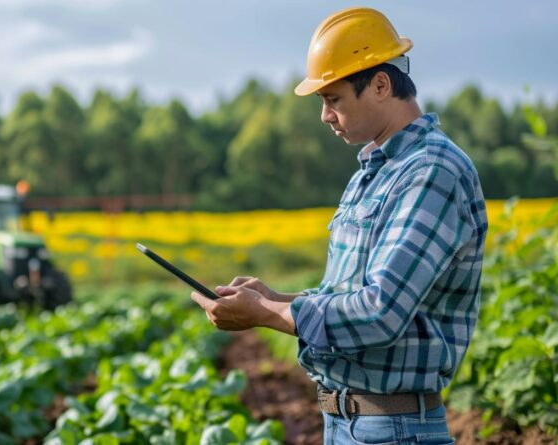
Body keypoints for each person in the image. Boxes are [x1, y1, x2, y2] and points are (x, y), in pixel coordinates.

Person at [190, 6, 487, 444]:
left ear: (381, 84)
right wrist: (277, 298)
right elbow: (352, 296)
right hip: (347, 421)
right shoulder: (376, 170)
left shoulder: (431, 171)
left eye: (334, 99)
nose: (326, 116)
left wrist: (267, 315)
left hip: (395, 429)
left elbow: (381, 313)